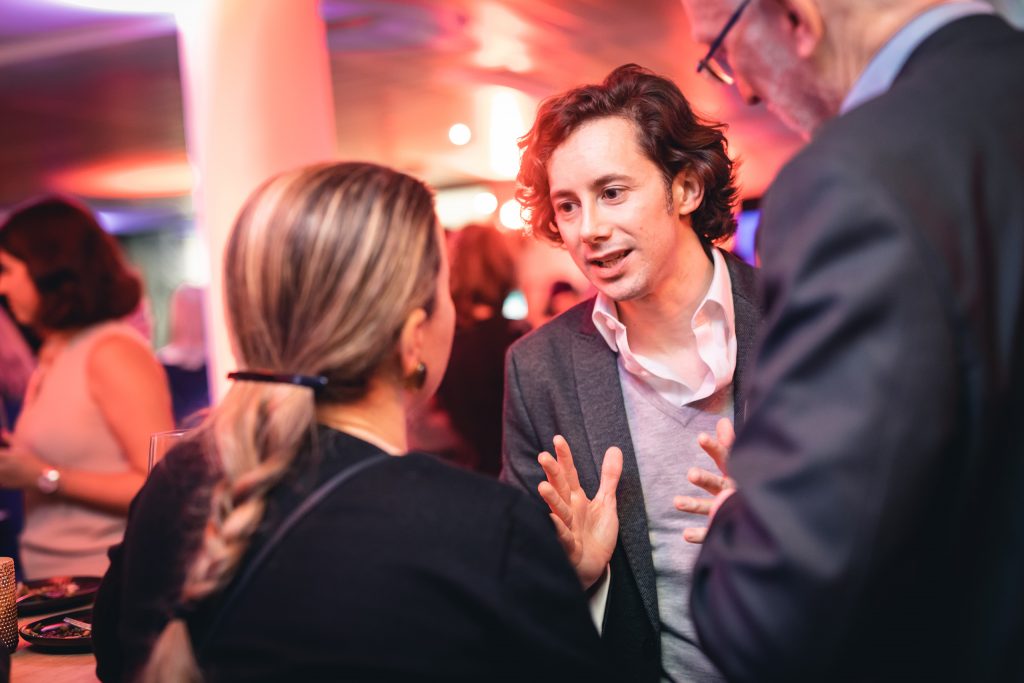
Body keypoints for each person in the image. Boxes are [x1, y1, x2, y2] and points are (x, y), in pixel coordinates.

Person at [91, 162, 608, 683]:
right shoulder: (481, 528)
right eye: (444, 288)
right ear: (412, 339)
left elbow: (118, 662)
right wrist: (563, 585)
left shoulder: (172, 484)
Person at [676, 1, 1024, 680]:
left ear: (797, 18)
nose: (740, 89)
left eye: (723, 50)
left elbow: (770, 619)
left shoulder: (855, 178)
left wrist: (740, 516)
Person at [502, 63, 761, 682]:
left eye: (612, 192)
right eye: (568, 205)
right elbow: (517, 600)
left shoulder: (803, 317)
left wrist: (790, 531)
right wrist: (581, 578)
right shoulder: (539, 370)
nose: (588, 229)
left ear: (686, 190)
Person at [0, 197, 174, 579]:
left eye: (8, 270)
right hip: (57, 578)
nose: (2, 286)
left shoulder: (112, 351)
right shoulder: (56, 350)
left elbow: (158, 487)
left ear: (49, 270)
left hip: (105, 581)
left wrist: (41, 477)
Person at [432, 223, 529, 476]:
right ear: (502, 265)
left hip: (468, 473)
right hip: (520, 476)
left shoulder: (445, 341)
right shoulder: (516, 338)